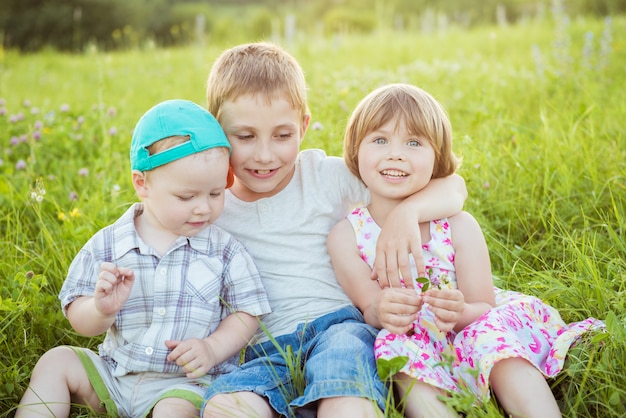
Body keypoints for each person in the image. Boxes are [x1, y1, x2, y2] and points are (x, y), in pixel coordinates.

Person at [200, 42, 467, 418]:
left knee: (346, 393)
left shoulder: (325, 176)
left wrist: (408, 212)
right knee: (225, 407)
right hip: (264, 346)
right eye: (245, 137)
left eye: (282, 135)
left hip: (340, 327)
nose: (264, 155)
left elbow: (454, 186)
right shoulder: (210, 203)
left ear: (304, 126)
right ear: (216, 129)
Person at [327, 83, 606, 418]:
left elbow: (484, 305)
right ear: (355, 151)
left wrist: (459, 313)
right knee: (398, 351)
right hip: (411, 335)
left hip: (470, 323)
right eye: (380, 140)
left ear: (438, 159)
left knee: (492, 342)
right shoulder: (346, 235)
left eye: (413, 142)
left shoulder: (457, 225)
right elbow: (369, 307)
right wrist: (383, 309)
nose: (395, 153)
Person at [16, 99, 271, 418]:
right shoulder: (109, 244)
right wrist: (99, 309)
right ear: (142, 184)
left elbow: (248, 311)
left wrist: (212, 348)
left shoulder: (224, 250)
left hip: (184, 385)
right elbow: (77, 316)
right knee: (57, 361)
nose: (203, 208)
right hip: (113, 376)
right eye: (186, 196)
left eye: (216, 193)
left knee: (172, 411)